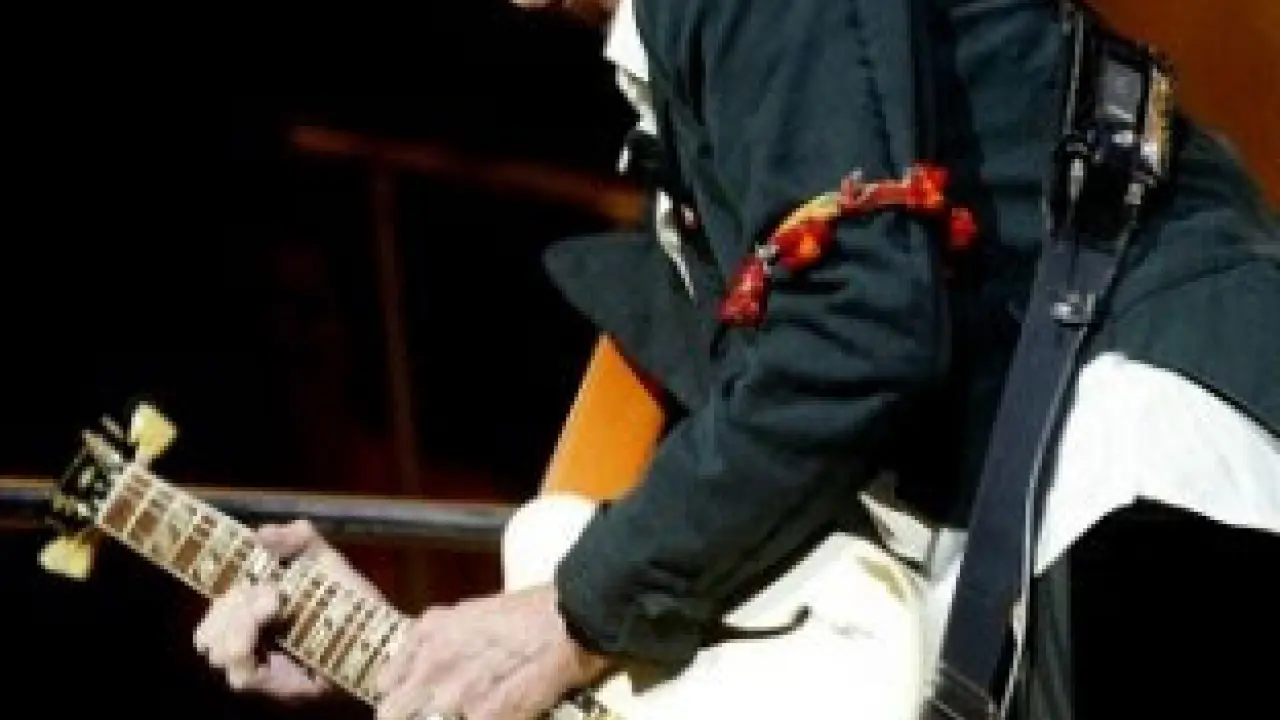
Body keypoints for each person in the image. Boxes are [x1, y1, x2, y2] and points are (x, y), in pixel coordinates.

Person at [193, 0, 1280, 718]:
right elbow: (756, 526)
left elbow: (855, 338)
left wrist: (572, 613)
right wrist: (403, 651)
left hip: (1143, 471)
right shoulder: (698, 137)